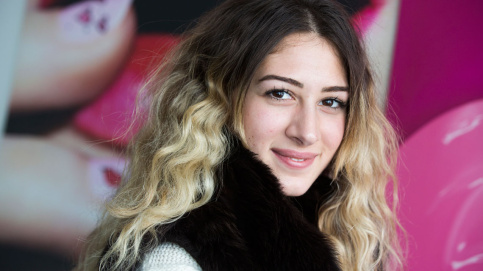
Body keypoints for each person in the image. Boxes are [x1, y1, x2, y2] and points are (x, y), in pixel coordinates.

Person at [76, 0, 404, 270]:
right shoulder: (173, 260)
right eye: (280, 93)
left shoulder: (342, 234)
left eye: (331, 102)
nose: (307, 131)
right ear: (220, 98)